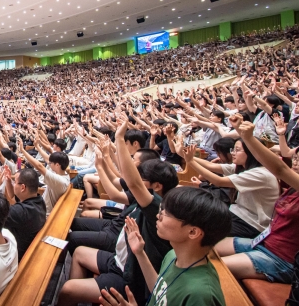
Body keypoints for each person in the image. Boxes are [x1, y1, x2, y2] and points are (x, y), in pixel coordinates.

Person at [58, 119, 179, 305]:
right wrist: (107, 156)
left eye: (141, 175)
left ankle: (78, 293)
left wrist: (119, 138)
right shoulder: (147, 198)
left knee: (68, 289)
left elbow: (131, 183)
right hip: (120, 257)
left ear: (156, 185)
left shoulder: (157, 206)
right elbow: (123, 177)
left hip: (128, 274)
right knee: (80, 252)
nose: (136, 174)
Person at [98, 186, 231, 306]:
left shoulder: (200, 295)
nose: (158, 216)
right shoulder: (173, 255)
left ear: (193, 232)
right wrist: (140, 252)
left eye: (165, 214)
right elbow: (160, 290)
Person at [215, 121, 299, 285]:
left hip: (281, 259)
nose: (295, 162)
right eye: (295, 158)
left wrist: (249, 138)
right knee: (205, 246)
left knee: (212, 267)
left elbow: (280, 169)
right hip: (264, 242)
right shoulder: (290, 188)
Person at [182, 124, 279, 239]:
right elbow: (209, 165)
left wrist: (191, 161)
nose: (232, 153)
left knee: (200, 232)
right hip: (236, 213)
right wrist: (183, 154)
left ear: (251, 153)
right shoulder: (243, 167)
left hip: (251, 224)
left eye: (237, 150)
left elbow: (218, 181)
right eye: (233, 149)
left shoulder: (260, 174)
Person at [0, 167, 47, 260]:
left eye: (15, 182)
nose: (14, 184)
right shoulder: (38, 200)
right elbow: (13, 197)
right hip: (27, 246)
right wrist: (9, 181)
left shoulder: (21, 211)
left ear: (23, 187)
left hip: (17, 256)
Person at [18, 137, 70, 214]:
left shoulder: (59, 180)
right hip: (41, 203)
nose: (49, 164)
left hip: (44, 211)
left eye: (51, 163)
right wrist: (38, 147)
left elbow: (39, 166)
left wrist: (23, 150)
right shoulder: (63, 173)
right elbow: (47, 158)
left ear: (57, 165)